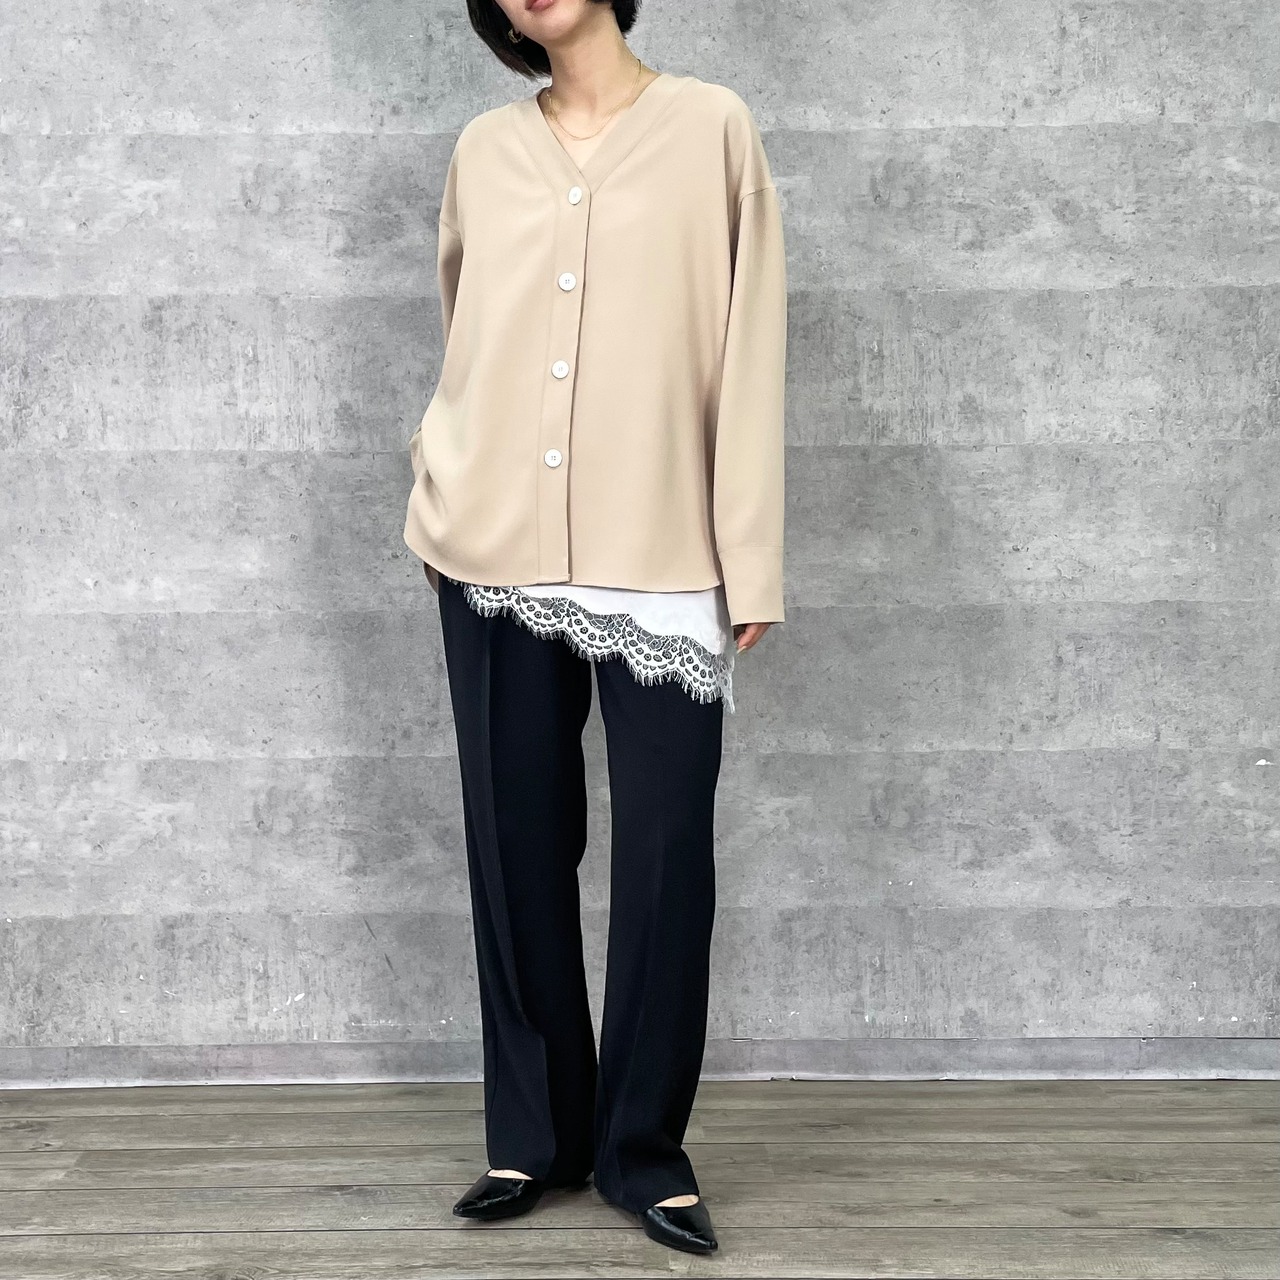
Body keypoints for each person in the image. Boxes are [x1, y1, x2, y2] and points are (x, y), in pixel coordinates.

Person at [402, 0, 787, 1257]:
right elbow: (467, 330)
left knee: (667, 852)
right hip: (490, 544)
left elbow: (749, 340)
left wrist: (748, 555)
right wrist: (443, 472)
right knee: (514, 845)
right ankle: (534, 1135)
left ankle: (642, 1151)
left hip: (659, 540)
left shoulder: (711, 128)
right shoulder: (483, 148)